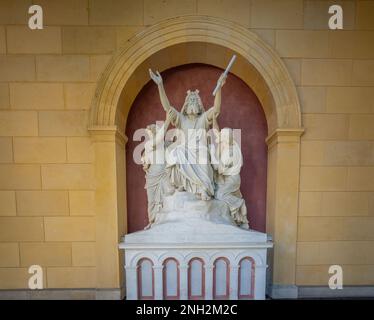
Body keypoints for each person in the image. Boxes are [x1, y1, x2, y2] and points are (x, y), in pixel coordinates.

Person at [149, 69, 226, 201]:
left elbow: (216, 109)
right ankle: (182, 184)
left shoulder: (203, 119)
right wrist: (160, 85)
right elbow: (167, 108)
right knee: (177, 151)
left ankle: (204, 189)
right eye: (190, 102)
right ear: (185, 106)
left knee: (202, 154)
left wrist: (219, 88)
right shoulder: (181, 119)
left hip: (200, 149)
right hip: (185, 149)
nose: (192, 105)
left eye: (195, 102)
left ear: (199, 106)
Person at [141, 114, 175, 229]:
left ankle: (167, 221)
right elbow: (159, 138)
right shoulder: (149, 144)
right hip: (153, 176)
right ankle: (152, 221)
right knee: (152, 200)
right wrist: (167, 121)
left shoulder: (164, 145)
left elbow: (175, 146)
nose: (148, 135)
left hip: (164, 174)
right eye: (148, 133)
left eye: (150, 132)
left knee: (169, 194)